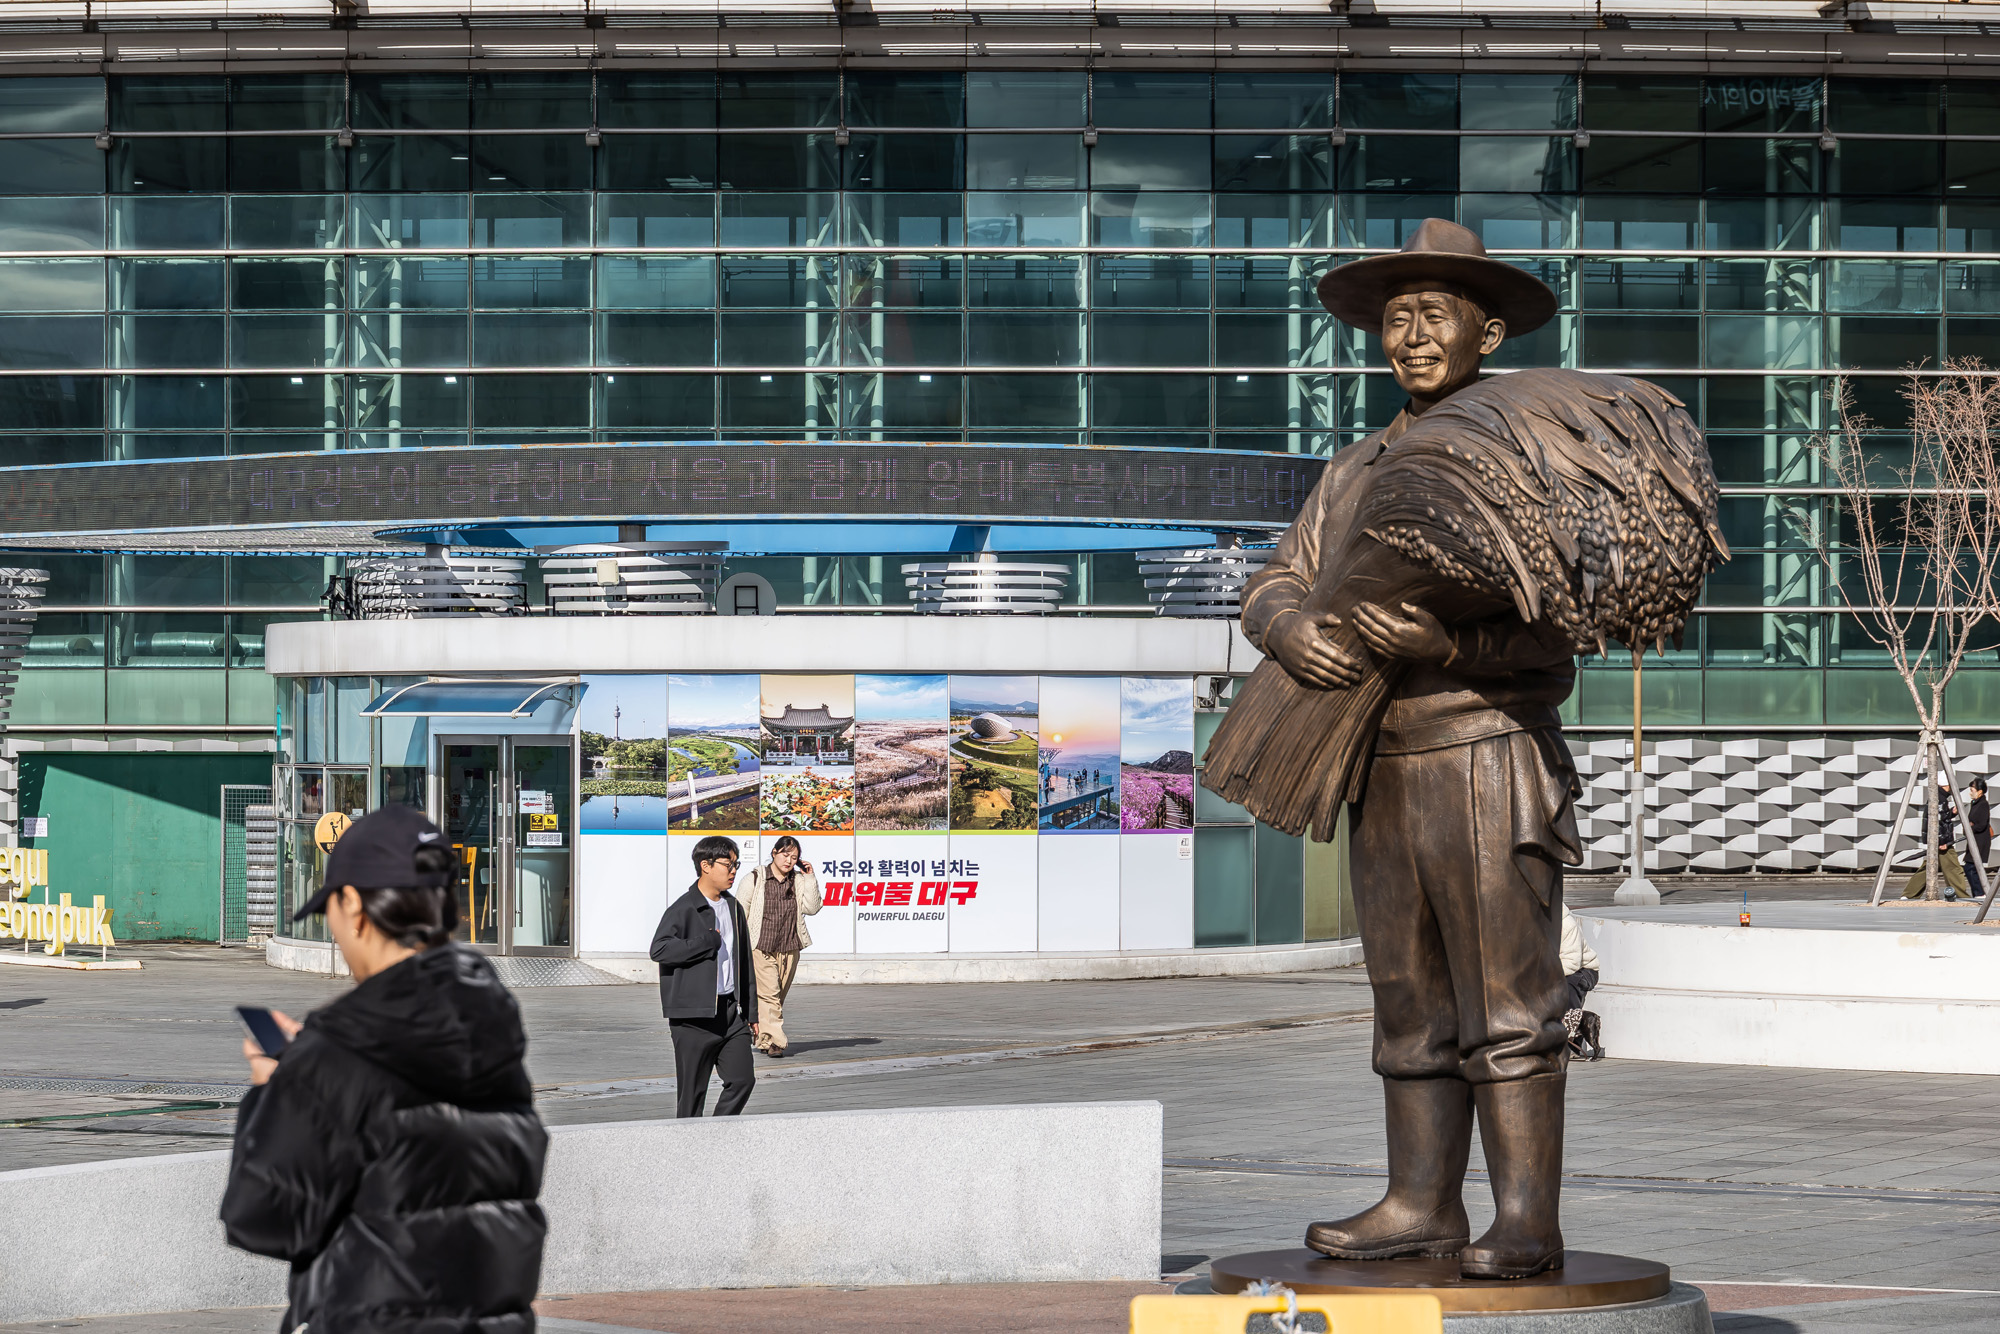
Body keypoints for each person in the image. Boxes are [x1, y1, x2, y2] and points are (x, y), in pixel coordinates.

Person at [1227, 220, 1580, 1279]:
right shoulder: (1351, 470)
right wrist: (1288, 626)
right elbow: (1275, 580)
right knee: (1407, 996)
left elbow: (1563, 628)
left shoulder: (1524, 453)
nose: (1408, 334)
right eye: (1395, 316)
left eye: (1433, 314)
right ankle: (1419, 1200)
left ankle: (1523, 1215)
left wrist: (1451, 643)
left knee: (1507, 1001)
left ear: (1487, 328)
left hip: (1485, 751)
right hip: (1376, 757)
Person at [220, 805, 547, 1334]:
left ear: (354, 905)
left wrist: (274, 1089)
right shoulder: (491, 1024)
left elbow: (267, 1220)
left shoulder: (340, 1050)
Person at [651, 834, 759, 1117]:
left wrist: (752, 1012)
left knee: (742, 1080)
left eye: (736, 864)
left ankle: (716, 1138)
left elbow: (744, 961)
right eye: (728, 864)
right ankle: (688, 1153)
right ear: (705, 865)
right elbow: (659, 950)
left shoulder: (734, 907)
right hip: (693, 1019)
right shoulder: (684, 908)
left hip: (730, 1015)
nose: (734, 870)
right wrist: (704, 942)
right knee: (692, 1098)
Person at [738, 833, 822, 1058]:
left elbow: (812, 908)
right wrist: (740, 944)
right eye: (785, 855)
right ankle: (776, 1041)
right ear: (774, 853)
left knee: (777, 995)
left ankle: (762, 1037)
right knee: (770, 994)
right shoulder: (755, 879)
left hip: (790, 945)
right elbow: (739, 911)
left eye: (794, 857)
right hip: (760, 946)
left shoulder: (799, 880)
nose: (789, 861)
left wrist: (811, 877)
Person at [1902, 775, 1970, 901]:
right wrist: (1942, 842)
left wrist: (1951, 813)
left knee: (1928, 867)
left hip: (1938, 841)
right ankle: (1962, 896)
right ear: (1946, 785)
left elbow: (1940, 818)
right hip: (1943, 842)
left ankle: (1909, 893)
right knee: (1954, 869)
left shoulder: (1937, 797)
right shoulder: (1941, 799)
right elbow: (1938, 823)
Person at [1967, 776, 1992, 899]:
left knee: (1971, 867)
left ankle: (1979, 893)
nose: (1970, 792)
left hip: (1980, 841)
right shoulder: (1975, 803)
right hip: (1974, 840)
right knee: (1972, 867)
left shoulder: (1982, 804)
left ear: (1979, 791)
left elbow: (1981, 824)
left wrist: (1970, 827)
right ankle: (1978, 893)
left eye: (1972, 790)